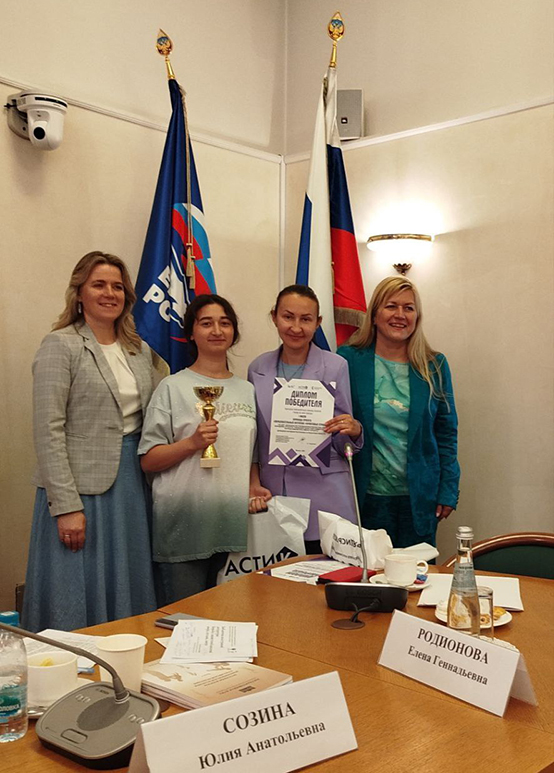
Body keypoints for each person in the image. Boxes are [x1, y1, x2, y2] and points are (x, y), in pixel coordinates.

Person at [22, 251, 157, 632]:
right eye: (99, 285)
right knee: (75, 586)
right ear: (79, 292)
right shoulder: (60, 345)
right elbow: (48, 429)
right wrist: (66, 506)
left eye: (117, 286)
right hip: (78, 491)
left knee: (126, 581)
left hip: (131, 486)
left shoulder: (139, 350)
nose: (109, 293)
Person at [139, 294, 256, 604]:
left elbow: (251, 454)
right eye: (206, 323)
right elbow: (148, 460)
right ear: (191, 332)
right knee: (184, 623)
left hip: (233, 528)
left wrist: (255, 486)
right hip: (184, 525)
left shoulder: (247, 390)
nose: (216, 330)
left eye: (225, 323)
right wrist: (191, 443)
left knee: (228, 620)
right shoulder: (171, 387)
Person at [337, 276, 460, 549]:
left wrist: (448, 490)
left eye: (409, 308)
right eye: (391, 306)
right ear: (375, 315)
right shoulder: (349, 359)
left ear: (417, 317)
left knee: (416, 572)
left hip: (419, 498)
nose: (400, 315)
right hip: (364, 497)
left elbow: (446, 433)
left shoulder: (434, 365)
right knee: (367, 573)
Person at [248, 285, 363, 553]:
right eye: (288, 317)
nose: (296, 327)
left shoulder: (336, 366)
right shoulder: (257, 368)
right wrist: (253, 482)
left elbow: (343, 442)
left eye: (306, 319)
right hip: (274, 494)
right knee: (278, 576)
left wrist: (353, 430)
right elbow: (254, 437)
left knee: (327, 575)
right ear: (274, 317)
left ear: (318, 322)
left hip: (326, 494)